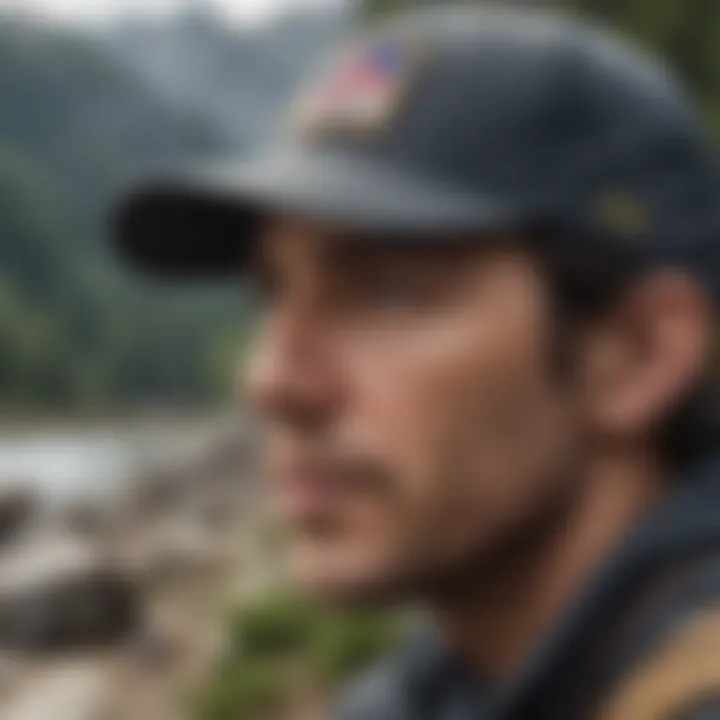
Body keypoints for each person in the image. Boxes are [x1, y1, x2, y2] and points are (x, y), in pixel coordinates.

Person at [113, 6, 720, 719]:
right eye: (273, 292)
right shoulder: (447, 685)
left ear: (641, 355)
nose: (272, 380)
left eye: (388, 291)